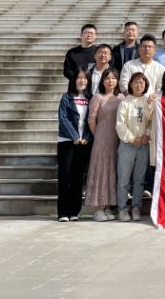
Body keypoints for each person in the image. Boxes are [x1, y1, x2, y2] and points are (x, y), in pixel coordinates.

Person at [85, 68, 123, 222]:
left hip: (118, 139)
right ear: (102, 81)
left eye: (113, 78)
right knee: (101, 171)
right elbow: (91, 120)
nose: (110, 81)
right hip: (101, 138)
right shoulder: (98, 97)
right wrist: (99, 135)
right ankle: (98, 208)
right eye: (107, 78)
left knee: (112, 171)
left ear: (117, 81)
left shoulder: (121, 97)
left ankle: (108, 206)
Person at [116, 73, 153, 222]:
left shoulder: (148, 101)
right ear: (131, 84)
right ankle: (122, 209)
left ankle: (136, 207)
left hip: (143, 145)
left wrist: (147, 135)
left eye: (142, 82)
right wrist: (132, 138)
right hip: (127, 145)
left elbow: (151, 121)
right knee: (124, 179)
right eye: (136, 82)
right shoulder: (125, 102)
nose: (139, 85)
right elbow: (120, 124)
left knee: (139, 179)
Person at [56, 69, 93, 222]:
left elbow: (93, 120)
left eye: (85, 78)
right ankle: (63, 212)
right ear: (74, 80)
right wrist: (74, 136)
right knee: (65, 177)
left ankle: (74, 211)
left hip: (84, 143)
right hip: (67, 142)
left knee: (78, 178)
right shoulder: (66, 97)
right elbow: (63, 118)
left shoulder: (91, 99)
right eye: (79, 77)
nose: (82, 80)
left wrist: (86, 137)